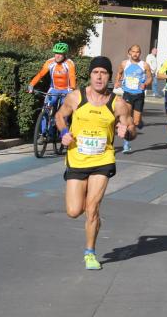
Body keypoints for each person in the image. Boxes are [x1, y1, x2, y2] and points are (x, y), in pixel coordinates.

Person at [55, 56, 136, 270]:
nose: (99, 77)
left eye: (104, 73)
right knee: (74, 211)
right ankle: (95, 220)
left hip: (103, 159)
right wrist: (64, 133)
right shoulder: (76, 97)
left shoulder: (118, 103)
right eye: (96, 72)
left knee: (92, 207)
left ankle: (90, 252)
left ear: (109, 76)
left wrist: (126, 132)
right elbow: (59, 116)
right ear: (90, 75)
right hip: (77, 159)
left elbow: (132, 129)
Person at [28, 42, 76, 142]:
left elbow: (72, 77)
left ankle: (63, 132)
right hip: (53, 89)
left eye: (60, 54)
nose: (57, 56)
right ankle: (43, 134)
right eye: (56, 53)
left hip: (66, 90)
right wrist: (31, 85)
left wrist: (72, 89)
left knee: (65, 112)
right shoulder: (50, 62)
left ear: (64, 55)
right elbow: (40, 74)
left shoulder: (69, 63)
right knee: (45, 109)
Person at [114, 44, 152, 153]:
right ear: (130, 52)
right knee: (127, 120)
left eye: (138, 52)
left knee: (135, 121)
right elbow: (119, 73)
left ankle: (140, 122)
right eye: (133, 51)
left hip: (139, 95)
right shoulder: (124, 63)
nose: (135, 54)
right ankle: (126, 145)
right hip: (127, 94)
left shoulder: (144, 65)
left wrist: (145, 84)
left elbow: (150, 78)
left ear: (140, 53)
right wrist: (117, 81)